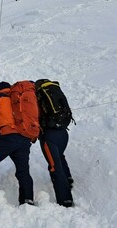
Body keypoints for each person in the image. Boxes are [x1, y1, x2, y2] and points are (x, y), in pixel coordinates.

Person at [0, 81, 34, 205]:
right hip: (24, 138)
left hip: (6, 136)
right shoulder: (19, 98)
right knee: (23, 171)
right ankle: (27, 199)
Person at [35, 79, 74, 207]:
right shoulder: (55, 92)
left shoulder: (40, 97)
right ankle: (68, 179)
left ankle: (65, 200)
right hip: (63, 133)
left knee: (54, 166)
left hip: (49, 136)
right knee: (59, 156)